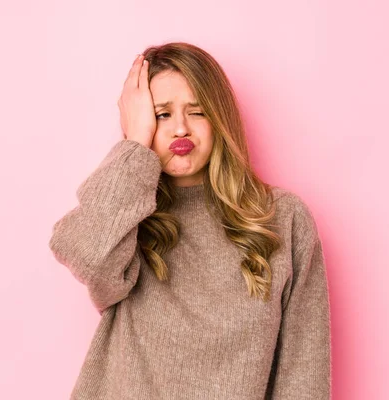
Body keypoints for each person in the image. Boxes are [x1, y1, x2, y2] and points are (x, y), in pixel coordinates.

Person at [48, 42, 331, 400]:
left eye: (196, 111)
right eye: (161, 114)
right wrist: (136, 143)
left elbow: (304, 377)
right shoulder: (128, 217)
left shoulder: (283, 218)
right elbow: (84, 252)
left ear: (219, 118)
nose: (180, 129)